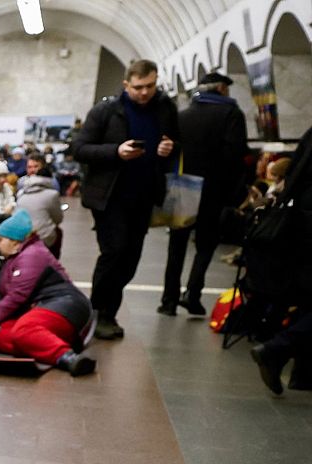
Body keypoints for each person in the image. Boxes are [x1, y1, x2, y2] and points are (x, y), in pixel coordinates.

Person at [71, 58, 180, 339]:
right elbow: (80, 149)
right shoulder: (106, 111)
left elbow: (176, 142)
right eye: (139, 87)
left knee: (131, 258)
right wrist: (115, 151)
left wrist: (170, 148)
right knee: (114, 252)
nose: (145, 93)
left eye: (151, 86)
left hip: (144, 195)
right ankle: (99, 313)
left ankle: (107, 311)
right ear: (126, 85)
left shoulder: (165, 108)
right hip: (110, 197)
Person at [160, 72, 247, 317]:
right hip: (213, 189)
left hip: (182, 185)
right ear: (221, 89)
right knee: (206, 245)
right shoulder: (231, 114)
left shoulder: (183, 115)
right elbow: (235, 155)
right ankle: (193, 295)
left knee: (176, 246)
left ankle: (168, 300)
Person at [0, 210, 96, 375]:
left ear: (15, 241)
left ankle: (66, 357)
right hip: (43, 308)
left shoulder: (32, 255)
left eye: (1, 239)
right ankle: (45, 343)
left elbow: (15, 297)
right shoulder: (17, 256)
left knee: (23, 329)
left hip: (65, 305)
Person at [15, 170, 64, 255]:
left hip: (19, 235)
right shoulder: (52, 194)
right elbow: (58, 219)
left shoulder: (21, 192)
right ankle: (52, 262)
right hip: (41, 238)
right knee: (58, 232)